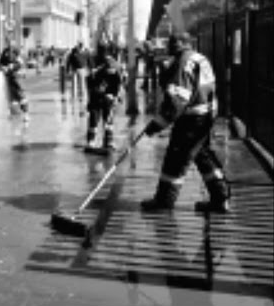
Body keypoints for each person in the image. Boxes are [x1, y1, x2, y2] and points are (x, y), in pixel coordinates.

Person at [140, 32, 230, 213]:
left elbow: (178, 100)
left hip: (191, 119)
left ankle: (164, 201)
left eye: (173, 42)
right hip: (205, 116)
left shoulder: (183, 62)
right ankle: (220, 198)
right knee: (203, 156)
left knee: (176, 159)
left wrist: (157, 124)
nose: (169, 45)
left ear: (183, 43)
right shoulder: (200, 58)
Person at [85, 43, 122, 150]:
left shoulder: (113, 64)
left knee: (108, 120)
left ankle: (108, 141)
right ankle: (91, 141)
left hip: (107, 97)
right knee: (94, 119)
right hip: (97, 96)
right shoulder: (95, 63)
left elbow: (119, 82)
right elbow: (90, 81)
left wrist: (115, 96)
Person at [0, 38, 29, 125]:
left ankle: (25, 114)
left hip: (17, 78)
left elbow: (20, 63)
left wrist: (12, 67)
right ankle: (12, 114)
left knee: (21, 96)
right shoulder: (5, 52)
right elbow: (0, 63)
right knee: (10, 97)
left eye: (11, 42)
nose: (9, 44)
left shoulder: (16, 51)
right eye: (7, 42)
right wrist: (2, 67)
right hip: (8, 78)